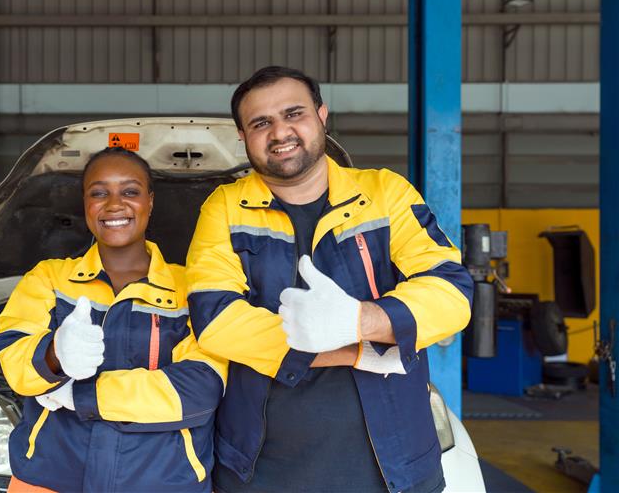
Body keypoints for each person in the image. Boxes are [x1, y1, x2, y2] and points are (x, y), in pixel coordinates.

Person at [186, 66, 474, 493]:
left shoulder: (384, 192)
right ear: (243, 137)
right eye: (260, 123)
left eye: (293, 113)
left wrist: (362, 320)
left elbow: (450, 290)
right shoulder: (225, 207)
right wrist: (356, 351)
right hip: (261, 471)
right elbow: (215, 319)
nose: (280, 132)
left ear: (322, 115)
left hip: (398, 468)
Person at [0, 147, 228, 493]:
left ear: (150, 201)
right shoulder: (50, 278)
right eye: (99, 192)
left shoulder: (193, 288)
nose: (114, 204)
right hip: (49, 480)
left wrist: (81, 396)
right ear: (85, 204)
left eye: (130, 191)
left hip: (164, 482)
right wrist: (55, 354)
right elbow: (13, 362)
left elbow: (200, 388)